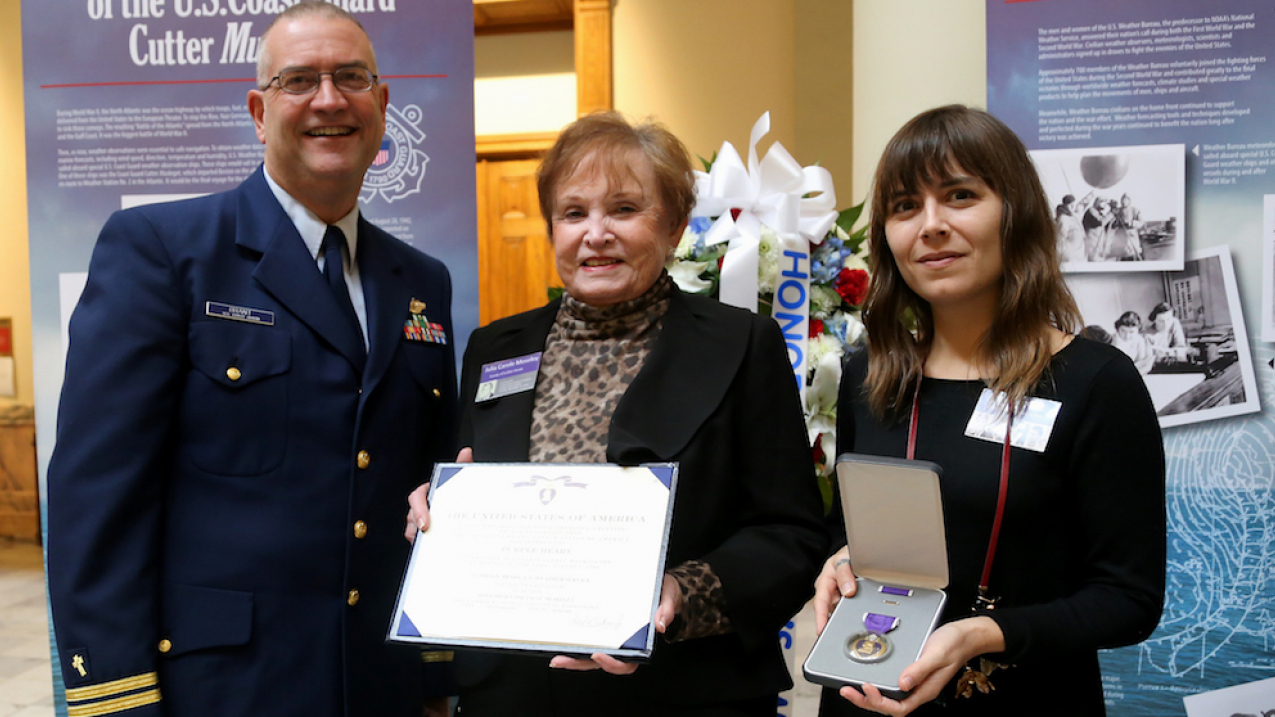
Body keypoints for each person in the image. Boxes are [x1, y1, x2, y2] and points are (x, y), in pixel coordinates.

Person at [45, 4, 457, 716]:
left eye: (351, 77)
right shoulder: (165, 249)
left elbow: (430, 485)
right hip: (223, 689)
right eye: (299, 80)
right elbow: (98, 495)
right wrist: (115, 696)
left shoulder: (421, 280)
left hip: (377, 682)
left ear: (382, 104)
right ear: (259, 111)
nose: (329, 99)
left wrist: (435, 673)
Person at [406, 112, 826, 716]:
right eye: (573, 213)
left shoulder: (742, 347)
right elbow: (468, 478)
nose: (595, 233)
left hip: (682, 694)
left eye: (625, 210)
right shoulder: (496, 347)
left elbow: (792, 536)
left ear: (676, 226)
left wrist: (681, 592)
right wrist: (440, 508)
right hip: (514, 696)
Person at [814, 105, 1165, 716]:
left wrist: (984, 633)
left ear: (1016, 212)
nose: (931, 225)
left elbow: (1128, 598)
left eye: (960, 196)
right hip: (866, 687)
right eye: (904, 207)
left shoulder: (1097, 383)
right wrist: (840, 559)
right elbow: (853, 527)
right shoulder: (867, 374)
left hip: (1025, 696)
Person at [1053, 193, 1085, 264]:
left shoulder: (1073, 217)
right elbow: (1060, 237)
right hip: (1068, 257)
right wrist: (1064, 254)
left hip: (1076, 255)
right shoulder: (1064, 218)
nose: (1075, 207)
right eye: (1072, 205)